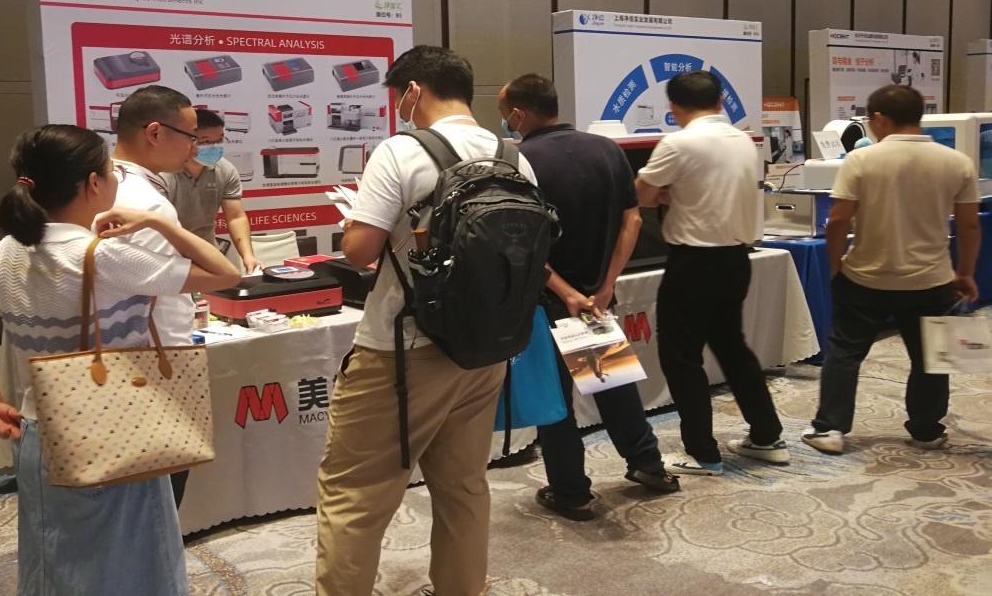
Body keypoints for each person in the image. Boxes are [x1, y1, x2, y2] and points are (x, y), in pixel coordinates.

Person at [0, 124, 240, 596]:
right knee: (129, 561)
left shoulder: (8, 252)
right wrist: (160, 224)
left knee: (53, 555)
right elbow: (226, 273)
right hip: (113, 427)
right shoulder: (104, 258)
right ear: (93, 184)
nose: (116, 179)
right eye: (111, 171)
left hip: (37, 431)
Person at [315, 45, 538, 596]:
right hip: (483, 346)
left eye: (399, 96)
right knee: (464, 487)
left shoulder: (400, 151)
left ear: (413, 90)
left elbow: (360, 253)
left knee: (355, 495)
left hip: (402, 351)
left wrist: (353, 223)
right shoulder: (512, 156)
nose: (399, 107)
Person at [498, 74, 678, 522]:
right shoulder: (606, 149)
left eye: (504, 115)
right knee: (612, 382)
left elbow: (521, 243)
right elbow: (633, 221)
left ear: (518, 114)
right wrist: (606, 285)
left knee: (554, 401)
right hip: (598, 295)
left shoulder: (518, 160)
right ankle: (649, 464)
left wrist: (566, 293)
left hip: (548, 300)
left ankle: (571, 492)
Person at [804, 85, 980, 455]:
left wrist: (836, 265)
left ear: (880, 118)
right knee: (930, 357)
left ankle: (830, 429)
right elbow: (969, 225)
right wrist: (964, 272)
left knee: (845, 351)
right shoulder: (957, 162)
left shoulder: (861, 160)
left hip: (865, 276)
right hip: (931, 278)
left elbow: (838, 220)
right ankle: (926, 430)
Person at [635, 70, 788, 475]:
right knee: (733, 349)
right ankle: (767, 436)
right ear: (720, 102)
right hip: (736, 259)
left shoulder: (678, 143)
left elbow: (642, 195)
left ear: (673, 108)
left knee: (681, 357)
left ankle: (703, 453)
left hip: (692, 263)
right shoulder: (743, 140)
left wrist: (667, 193)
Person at [110, 85, 212, 509]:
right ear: (154, 132)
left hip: (119, 360)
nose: (195, 147)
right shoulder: (145, 202)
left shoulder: (103, 183)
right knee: (161, 491)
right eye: (190, 136)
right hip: (155, 359)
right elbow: (149, 296)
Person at [163, 108, 263, 272]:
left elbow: (235, 217)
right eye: (205, 141)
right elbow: (158, 226)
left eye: (219, 140)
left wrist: (248, 256)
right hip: (167, 253)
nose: (214, 147)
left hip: (207, 251)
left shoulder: (225, 169)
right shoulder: (162, 173)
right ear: (185, 140)